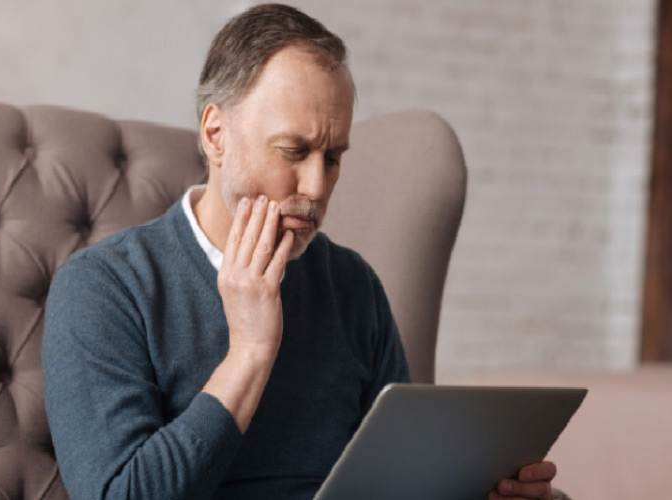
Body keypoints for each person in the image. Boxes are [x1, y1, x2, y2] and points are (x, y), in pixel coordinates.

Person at [42, 4, 560, 500]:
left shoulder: (352, 285)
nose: (315, 186)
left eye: (332, 158)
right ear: (216, 135)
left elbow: (402, 478)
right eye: (293, 152)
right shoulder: (103, 288)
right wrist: (249, 352)